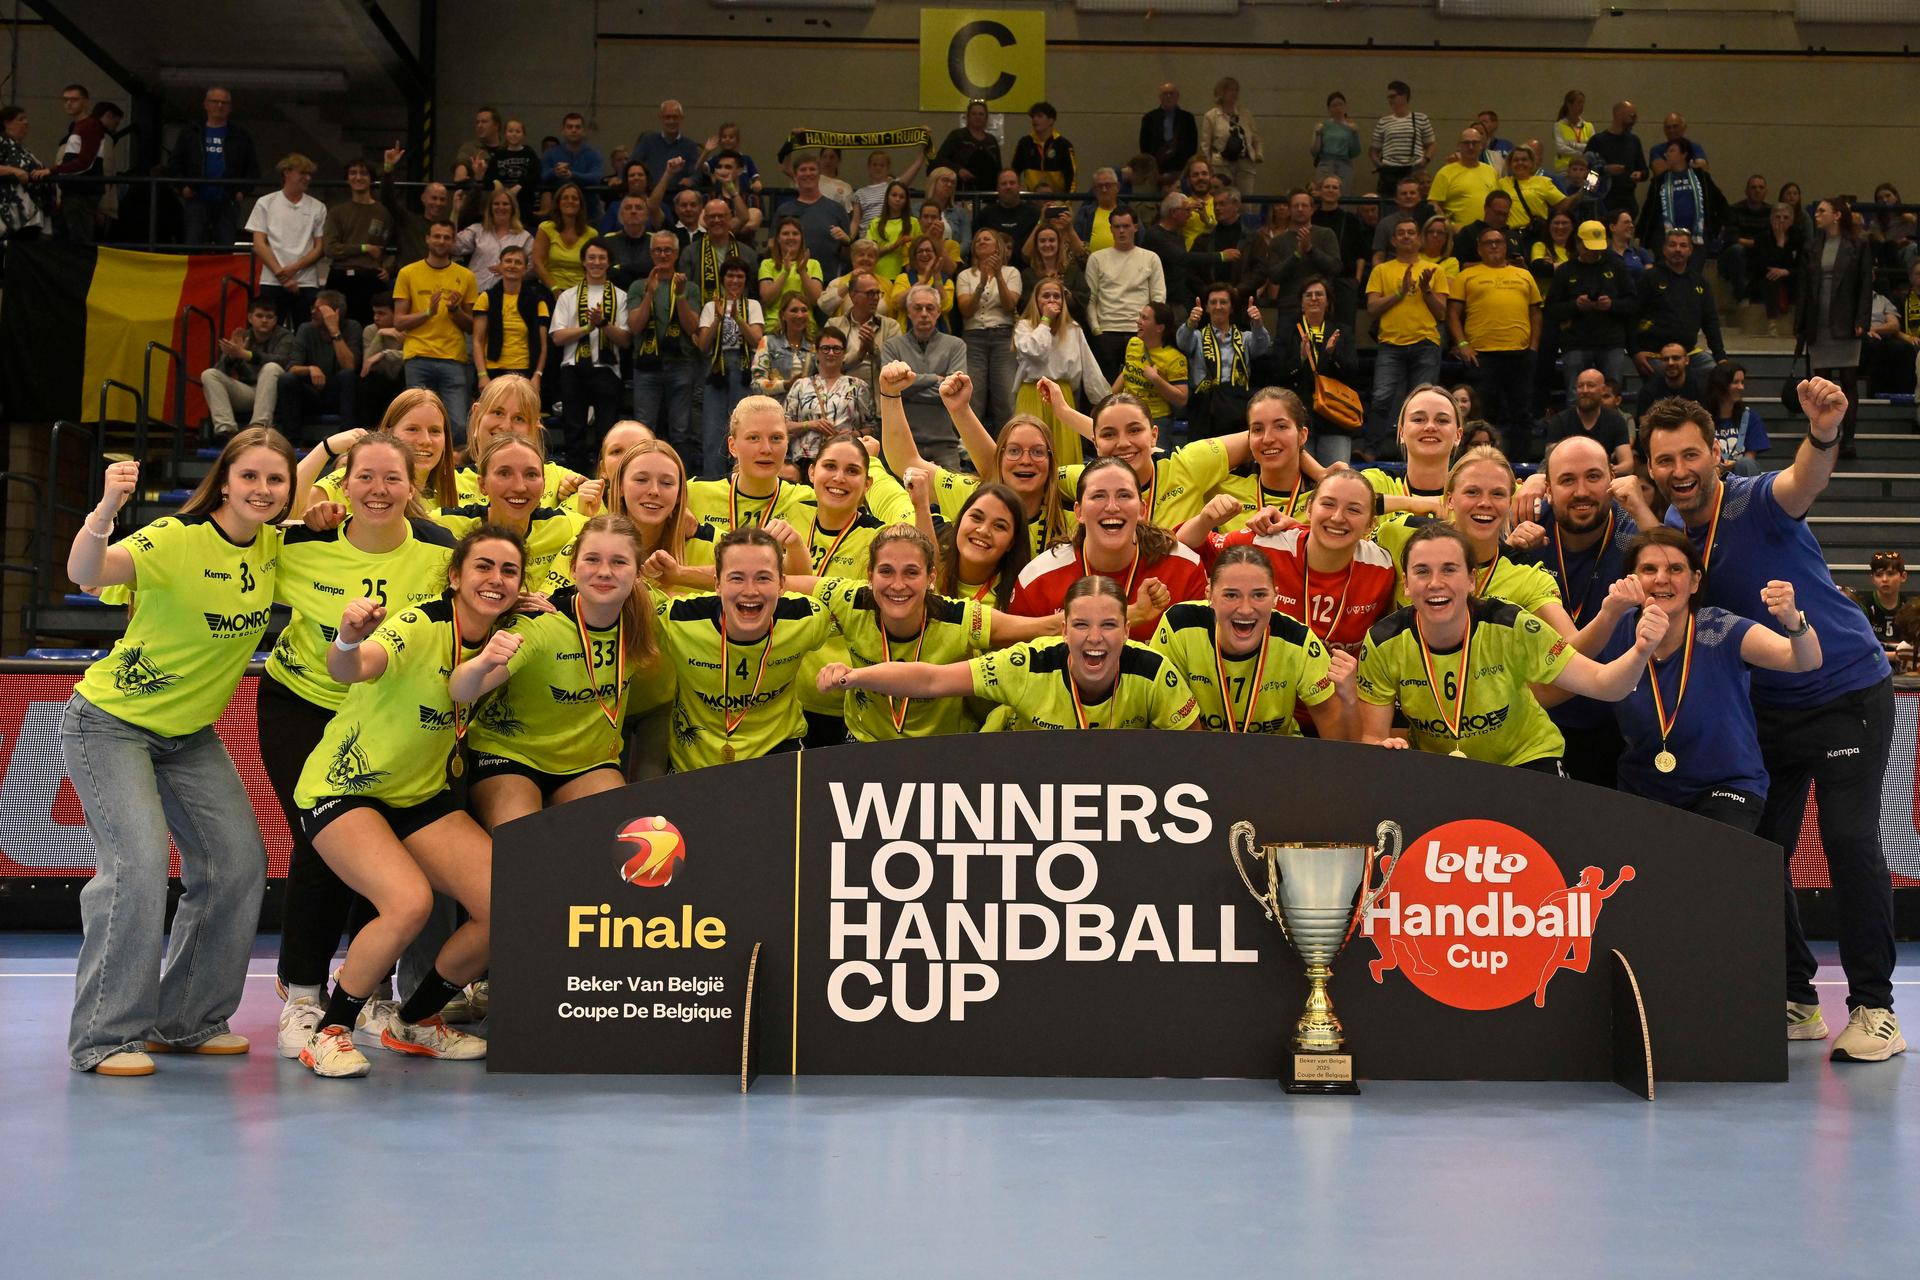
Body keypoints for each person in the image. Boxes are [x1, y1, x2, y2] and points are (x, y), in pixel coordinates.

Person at [1636, 386, 1902, 1061]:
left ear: (1716, 456)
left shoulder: (1757, 498)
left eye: (1690, 453)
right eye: (1664, 459)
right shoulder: (1671, 516)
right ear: (1652, 465)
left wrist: (1822, 433)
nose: (1679, 468)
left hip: (1844, 690)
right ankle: (1797, 998)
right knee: (1761, 852)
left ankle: (1875, 1009)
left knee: (1847, 839)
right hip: (1768, 709)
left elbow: (1803, 479)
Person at [59, 434, 297, 1075]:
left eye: (276, 480)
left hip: (187, 737)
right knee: (135, 869)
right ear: (224, 480)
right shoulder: (174, 537)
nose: (263, 490)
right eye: (249, 476)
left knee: (238, 865)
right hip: (110, 725)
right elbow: (87, 572)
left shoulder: (278, 545)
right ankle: (105, 1037)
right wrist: (106, 508)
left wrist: (330, 451)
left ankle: (187, 1021)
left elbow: (319, 498)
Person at [289, 525, 524, 1077]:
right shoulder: (420, 623)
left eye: (508, 570)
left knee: (509, 901)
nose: (495, 579)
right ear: (456, 576)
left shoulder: (507, 637)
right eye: (483, 567)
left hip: (418, 795)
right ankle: (328, 1033)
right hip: (344, 788)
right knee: (407, 903)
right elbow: (355, 666)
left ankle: (415, 1020)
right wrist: (347, 638)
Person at [265, 431, 458, 1055]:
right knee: (323, 846)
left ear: (413, 486)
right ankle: (301, 994)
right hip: (303, 705)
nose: (378, 490)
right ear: (343, 486)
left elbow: (483, 598)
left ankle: (369, 994)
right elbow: (253, 519)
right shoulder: (303, 544)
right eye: (365, 477)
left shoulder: (437, 554)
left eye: (391, 479)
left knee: (380, 852)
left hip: (382, 717)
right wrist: (321, 449)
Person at [1352, 522, 1664, 766]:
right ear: (1406, 584)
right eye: (1422, 571)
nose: (1436, 583)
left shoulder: (1510, 624)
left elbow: (1605, 684)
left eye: (1450, 569)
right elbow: (1372, 737)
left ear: (1471, 579)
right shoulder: (1384, 641)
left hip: (1525, 760)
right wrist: (1385, 749)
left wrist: (1641, 650)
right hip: (1441, 769)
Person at [1579, 526, 1820, 830]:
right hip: (1643, 788)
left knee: (1707, 870)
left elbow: (1805, 660)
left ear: (1694, 581)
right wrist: (1608, 613)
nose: (1662, 578)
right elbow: (1564, 663)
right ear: (1633, 579)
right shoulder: (1616, 628)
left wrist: (1793, 620)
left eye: (1675, 569)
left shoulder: (1720, 628)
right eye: (1649, 569)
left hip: (1725, 788)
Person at [467, 514, 656, 834]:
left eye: (619, 562)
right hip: (510, 755)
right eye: (592, 559)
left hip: (589, 763)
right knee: (526, 842)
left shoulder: (649, 616)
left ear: (638, 573)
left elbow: (722, 604)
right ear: (573, 568)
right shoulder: (540, 623)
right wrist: (475, 671)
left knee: (623, 838)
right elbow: (475, 685)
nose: (605, 571)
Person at [823, 573, 1197, 732]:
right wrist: (853, 677)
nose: (1094, 638)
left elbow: (1198, 755)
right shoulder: (1028, 663)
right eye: (1081, 625)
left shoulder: (1153, 671)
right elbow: (934, 679)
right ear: (1064, 629)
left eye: (1110, 626)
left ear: (1128, 630)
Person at [1506, 435, 1638, 785]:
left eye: (1593, 477)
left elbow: (1677, 568)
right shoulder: (1524, 532)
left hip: (1619, 727)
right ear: (1548, 489)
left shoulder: (1633, 538)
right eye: (1567, 480)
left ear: (1612, 477)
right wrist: (1509, 549)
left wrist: (1641, 508)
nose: (1581, 491)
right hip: (1538, 728)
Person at [649, 525, 829, 767]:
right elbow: (627, 597)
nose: (750, 591)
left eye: (763, 578)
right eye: (736, 578)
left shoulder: (807, 618)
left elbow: (862, 608)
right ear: (717, 584)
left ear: (782, 584)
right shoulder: (678, 619)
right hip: (694, 765)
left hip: (778, 751)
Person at [1149, 545, 1350, 736]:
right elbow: (1167, 726)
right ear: (1209, 594)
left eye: (1259, 595)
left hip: (1278, 759)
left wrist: (1350, 700)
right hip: (1198, 755)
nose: (1245, 609)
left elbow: (1339, 745)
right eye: (1231, 595)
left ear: (1275, 598)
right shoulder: (1179, 625)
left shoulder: (1299, 640)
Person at [881, 365, 1073, 562]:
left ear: (1052, 461)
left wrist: (1066, 412)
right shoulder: (974, 496)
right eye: (1014, 451)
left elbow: (1105, 464)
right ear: (1000, 457)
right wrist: (890, 394)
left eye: (1037, 452)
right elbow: (905, 462)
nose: (1025, 461)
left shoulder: (1073, 517)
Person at [1009, 456, 1208, 640]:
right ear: (1079, 512)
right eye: (1098, 496)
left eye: (1124, 495)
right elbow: (1018, 667)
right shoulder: (1037, 580)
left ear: (1142, 509)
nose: (1112, 506)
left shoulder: (1184, 568)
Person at [1448, 227, 1543, 460]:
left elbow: (1536, 315)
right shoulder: (1466, 276)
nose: (1493, 246)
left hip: (1520, 354)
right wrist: (1462, 344)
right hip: (1481, 355)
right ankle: (1480, 459)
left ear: (1505, 246)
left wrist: (1533, 347)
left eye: (1498, 242)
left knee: (1521, 413)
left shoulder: (1524, 275)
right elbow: (1452, 314)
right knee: (1483, 414)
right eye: (1488, 242)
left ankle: (1519, 462)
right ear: (1479, 248)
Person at [1796, 195, 1873, 458]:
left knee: (1848, 381)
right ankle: (1825, 438)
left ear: (1837, 215)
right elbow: (1804, 287)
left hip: (1847, 319)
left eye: (1821, 211)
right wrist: (1801, 325)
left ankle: (1848, 438)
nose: (1816, 215)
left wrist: (1862, 320)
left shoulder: (1858, 243)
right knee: (1821, 383)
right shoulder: (1812, 245)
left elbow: (1865, 284)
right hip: (1819, 320)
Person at [1364, 219, 1447, 458]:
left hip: (1425, 343)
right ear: (1393, 240)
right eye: (1401, 233)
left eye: (1411, 232)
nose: (1407, 236)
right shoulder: (1381, 270)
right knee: (1381, 398)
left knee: (1423, 403)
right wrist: (1400, 292)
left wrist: (1426, 290)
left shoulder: (1435, 270)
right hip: (1390, 344)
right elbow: (1372, 308)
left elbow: (1441, 313)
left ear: (1419, 239)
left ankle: (1416, 453)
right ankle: (1371, 449)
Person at [392, 218, 477, 436]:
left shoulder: (466, 276)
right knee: (414, 421)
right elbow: (398, 322)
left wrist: (455, 310)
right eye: (437, 236)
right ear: (428, 239)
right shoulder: (408, 273)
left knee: (458, 424)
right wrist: (428, 312)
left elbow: (472, 327)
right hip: (418, 356)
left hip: (453, 358)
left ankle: (455, 467)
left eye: (447, 237)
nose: (441, 241)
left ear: (453, 241)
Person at [550, 242, 629, 470]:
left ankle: (605, 479)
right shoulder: (568, 296)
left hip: (606, 369)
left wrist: (602, 324)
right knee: (574, 431)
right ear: (583, 261)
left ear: (608, 262)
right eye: (591, 258)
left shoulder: (620, 296)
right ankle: (575, 480)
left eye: (601, 258)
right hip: (573, 369)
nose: (596, 262)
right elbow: (557, 337)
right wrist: (587, 328)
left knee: (608, 433)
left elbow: (624, 340)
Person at [880, 284, 969, 470]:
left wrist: (906, 388)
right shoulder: (891, 346)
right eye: (917, 308)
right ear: (908, 312)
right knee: (899, 499)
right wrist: (934, 379)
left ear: (938, 312)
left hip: (944, 441)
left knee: (952, 499)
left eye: (930, 308)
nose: (923, 313)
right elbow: (889, 387)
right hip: (903, 441)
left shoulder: (956, 345)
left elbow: (955, 391)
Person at [1545, 219, 1635, 400]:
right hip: (1576, 342)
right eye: (1588, 248)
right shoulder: (1565, 271)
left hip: (1611, 342)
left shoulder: (1617, 266)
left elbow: (1633, 302)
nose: (1593, 253)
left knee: (1610, 394)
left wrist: (1612, 305)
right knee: (1576, 394)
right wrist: (1575, 305)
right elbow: (1551, 309)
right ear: (1578, 243)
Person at [1174, 283, 1270, 441]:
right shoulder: (1197, 336)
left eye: (1223, 302)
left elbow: (1262, 346)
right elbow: (1182, 343)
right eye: (1213, 302)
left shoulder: (1244, 337)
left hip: (1236, 403)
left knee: (1236, 460)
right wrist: (1191, 323)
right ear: (1206, 307)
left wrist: (1258, 323)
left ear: (1232, 308)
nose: (1218, 307)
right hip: (1205, 405)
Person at [169, 85, 258, 246]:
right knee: (193, 244)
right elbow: (175, 162)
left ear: (230, 107)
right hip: (197, 198)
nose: (220, 106)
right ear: (206, 104)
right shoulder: (191, 132)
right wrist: (183, 187)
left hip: (227, 199)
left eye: (224, 103)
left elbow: (252, 168)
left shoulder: (240, 135)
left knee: (225, 246)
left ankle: (223, 273)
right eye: (215, 101)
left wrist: (242, 191)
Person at [247, 153, 328, 326]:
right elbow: (259, 244)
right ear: (287, 173)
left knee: (305, 331)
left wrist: (294, 269)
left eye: (309, 174)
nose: (307, 178)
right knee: (267, 331)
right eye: (302, 173)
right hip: (271, 280)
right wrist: (283, 276)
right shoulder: (265, 202)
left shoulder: (318, 207)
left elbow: (319, 247)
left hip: (306, 282)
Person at [275, 290, 362, 439]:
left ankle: (346, 440)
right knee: (286, 380)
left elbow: (349, 366)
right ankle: (292, 441)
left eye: (319, 309)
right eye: (313, 308)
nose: (313, 312)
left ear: (336, 313)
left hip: (339, 395)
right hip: (312, 393)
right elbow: (292, 367)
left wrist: (334, 330)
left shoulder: (352, 327)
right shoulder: (305, 329)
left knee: (347, 376)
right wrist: (310, 368)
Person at [201, 298, 293, 437]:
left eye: (269, 317)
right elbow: (221, 371)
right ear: (250, 317)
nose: (264, 320)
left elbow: (283, 361)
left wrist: (245, 354)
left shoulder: (285, 336)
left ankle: (258, 427)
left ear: (275, 320)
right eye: (259, 316)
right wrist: (232, 356)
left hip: (274, 393)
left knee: (271, 367)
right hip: (248, 391)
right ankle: (226, 430)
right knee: (209, 374)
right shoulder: (244, 336)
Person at [471, 242, 549, 394]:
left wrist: (537, 375)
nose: (512, 266)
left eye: (518, 262)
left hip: (524, 371)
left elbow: (543, 346)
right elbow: (477, 341)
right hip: (492, 371)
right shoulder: (487, 297)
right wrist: (482, 375)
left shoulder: (538, 301)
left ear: (525, 269)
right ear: (500, 266)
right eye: (508, 261)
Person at [321, 160, 392, 324]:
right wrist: (364, 248)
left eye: (363, 173)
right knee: (336, 326)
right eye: (353, 173)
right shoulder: (337, 212)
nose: (358, 177)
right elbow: (330, 249)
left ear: (371, 179)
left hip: (371, 279)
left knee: (370, 329)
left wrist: (389, 268)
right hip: (341, 277)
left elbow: (391, 246)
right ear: (347, 179)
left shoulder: (383, 212)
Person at [782, 327, 875, 441]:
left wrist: (855, 434)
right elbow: (784, 425)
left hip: (844, 453)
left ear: (844, 352)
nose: (831, 353)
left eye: (836, 349)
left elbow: (872, 427)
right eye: (825, 348)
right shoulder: (800, 385)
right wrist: (810, 424)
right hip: (805, 457)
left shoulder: (858, 386)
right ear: (817, 351)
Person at [1543, 367, 1633, 472]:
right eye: (1580, 386)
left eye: (1591, 385)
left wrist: (1605, 472)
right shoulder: (1559, 421)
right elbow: (1550, 462)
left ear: (1603, 389)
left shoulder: (1616, 420)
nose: (1585, 391)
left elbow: (1628, 464)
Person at [825, 270, 904, 389]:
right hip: (840, 396)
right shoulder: (834, 325)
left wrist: (873, 350)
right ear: (853, 295)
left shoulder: (891, 326)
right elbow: (826, 364)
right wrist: (859, 354)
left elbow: (896, 368)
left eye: (878, 293)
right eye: (870, 293)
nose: (876, 298)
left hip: (879, 396)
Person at [776, 155, 854, 273]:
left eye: (812, 169)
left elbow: (848, 257)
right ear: (796, 176)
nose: (808, 173)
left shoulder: (837, 209)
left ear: (819, 174)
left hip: (827, 280)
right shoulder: (784, 210)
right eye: (803, 170)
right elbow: (773, 246)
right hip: (790, 279)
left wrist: (846, 243)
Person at [1120, 301, 1188, 434]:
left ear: (1159, 328)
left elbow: (1182, 399)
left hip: (1156, 420)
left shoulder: (1174, 358)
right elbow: (1126, 372)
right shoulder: (1133, 343)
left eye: (1144, 318)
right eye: (1140, 316)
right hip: (1127, 412)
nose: (1137, 321)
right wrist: (1107, 400)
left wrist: (1156, 379)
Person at [455, 183, 534, 295]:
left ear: (513, 208)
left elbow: (531, 269)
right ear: (490, 208)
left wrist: (510, 270)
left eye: (505, 204)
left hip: (508, 296)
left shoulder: (525, 237)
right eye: (496, 204)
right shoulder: (477, 230)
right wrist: (456, 212)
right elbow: (453, 246)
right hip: (475, 293)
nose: (500, 207)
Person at [1369, 80, 1435, 197]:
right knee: (1388, 205)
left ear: (1404, 96)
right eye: (1388, 97)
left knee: (1414, 202)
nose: (1390, 100)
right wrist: (1380, 166)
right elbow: (1373, 150)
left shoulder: (1421, 118)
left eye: (1393, 96)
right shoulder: (1383, 121)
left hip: (1413, 169)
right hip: (1389, 171)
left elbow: (1431, 144)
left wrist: (1425, 160)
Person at [1703, 360, 1770, 476]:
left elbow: (1750, 458)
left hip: (1740, 475)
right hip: (1710, 472)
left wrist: (1732, 465)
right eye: (1736, 382)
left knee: (1746, 463)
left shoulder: (1750, 417)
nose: (1741, 387)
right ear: (1721, 384)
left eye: (1742, 382)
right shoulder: (1701, 418)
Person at [531, 181, 598, 296]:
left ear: (580, 204)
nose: (570, 201)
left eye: (574, 198)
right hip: (550, 290)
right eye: (565, 198)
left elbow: (594, 268)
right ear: (558, 203)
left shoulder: (591, 234)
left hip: (581, 292)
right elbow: (537, 263)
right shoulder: (546, 228)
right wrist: (555, 290)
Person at [1428, 125, 1499, 232]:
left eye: (1475, 143)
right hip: (1457, 233)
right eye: (1466, 143)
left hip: (1487, 233)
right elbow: (1434, 205)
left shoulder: (1491, 171)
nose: (1470, 147)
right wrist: (1448, 225)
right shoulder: (1445, 172)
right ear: (1459, 146)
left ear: (1481, 146)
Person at [1200, 77, 1262, 196]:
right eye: (1230, 90)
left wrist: (1258, 154)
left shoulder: (1245, 114)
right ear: (1221, 93)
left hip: (1244, 162)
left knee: (1246, 199)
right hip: (1222, 163)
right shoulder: (1211, 116)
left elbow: (1255, 137)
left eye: (1236, 90)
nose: (1234, 93)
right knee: (1223, 195)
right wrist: (1207, 166)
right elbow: (1205, 144)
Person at [1588, 101, 1646, 217]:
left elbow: (1644, 170)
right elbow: (1586, 173)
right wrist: (1605, 170)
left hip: (1627, 199)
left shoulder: (1634, 141)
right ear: (1619, 115)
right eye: (1632, 116)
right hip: (1603, 199)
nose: (1635, 120)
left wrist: (1640, 174)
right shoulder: (1598, 141)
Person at [758, 214, 825, 314]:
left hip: (805, 323)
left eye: (795, 233)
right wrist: (786, 272)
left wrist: (802, 272)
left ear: (801, 238)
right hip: (774, 324)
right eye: (785, 234)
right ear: (778, 239)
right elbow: (766, 298)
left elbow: (816, 300)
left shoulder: (813, 264)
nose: (790, 237)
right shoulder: (767, 264)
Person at [933, 99, 1002, 192]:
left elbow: (998, 168)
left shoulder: (991, 141)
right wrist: (958, 170)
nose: (978, 117)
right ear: (968, 117)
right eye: (974, 114)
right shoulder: (957, 136)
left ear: (986, 118)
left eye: (981, 114)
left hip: (988, 192)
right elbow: (940, 160)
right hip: (962, 190)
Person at [889, 235, 956, 330]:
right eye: (920, 251)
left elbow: (945, 307)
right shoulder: (903, 278)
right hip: (907, 337)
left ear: (936, 255)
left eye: (928, 250)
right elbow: (898, 304)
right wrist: (923, 280)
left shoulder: (947, 281)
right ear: (914, 256)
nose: (924, 254)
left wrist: (936, 275)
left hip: (939, 336)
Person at [541, 113, 605, 209]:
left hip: (590, 212)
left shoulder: (594, 154)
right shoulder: (550, 154)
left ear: (583, 131)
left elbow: (596, 177)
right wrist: (555, 172)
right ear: (563, 130)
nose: (573, 130)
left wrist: (572, 175)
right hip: (559, 212)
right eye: (570, 127)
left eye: (577, 127)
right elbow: (542, 177)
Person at [1858, 551, 1918, 652]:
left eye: (1890, 574)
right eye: (1879, 575)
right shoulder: (1863, 606)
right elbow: (1859, 648)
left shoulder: (1910, 608)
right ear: (1872, 578)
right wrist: (1894, 657)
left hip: (1902, 664)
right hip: (1873, 664)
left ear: (1903, 577)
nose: (1884, 579)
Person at [1011, 102, 1075, 195]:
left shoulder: (1064, 145)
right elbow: (1014, 172)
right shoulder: (1025, 143)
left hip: (1056, 199)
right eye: (1033, 117)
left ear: (1051, 120)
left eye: (1039, 116)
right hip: (1032, 199)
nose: (1035, 120)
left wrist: (1067, 201)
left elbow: (1071, 177)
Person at [864, 181, 916, 282]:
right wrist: (895, 245)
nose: (897, 199)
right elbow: (871, 252)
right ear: (887, 197)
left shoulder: (913, 222)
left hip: (906, 275)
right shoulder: (876, 223)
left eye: (901, 197)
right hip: (879, 274)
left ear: (906, 201)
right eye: (894, 195)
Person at [1311, 92, 1363, 188]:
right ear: (1329, 109)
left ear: (1345, 107)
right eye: (1334, 105)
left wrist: (1355, 134)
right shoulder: (1322, 126)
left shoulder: (1351, 127)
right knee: (1323, 192)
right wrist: (1318, 134)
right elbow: (1314, 152)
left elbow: (1355, 152)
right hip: (1325, 164)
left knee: (1344, 195)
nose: (1338, 108)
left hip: (1344, 164)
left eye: (1340, 105)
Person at [1552, 91, 1593, 175]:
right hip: (1565, 170)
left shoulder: (1588, 126)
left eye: (1583, 103)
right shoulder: (1559, 126)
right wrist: (1580, 153)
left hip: (1584, 169)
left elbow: (1592, 147)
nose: (1581, 106)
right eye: (1579, 103)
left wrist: (1572, 145)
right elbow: (1561, 148)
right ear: (1569, 105)